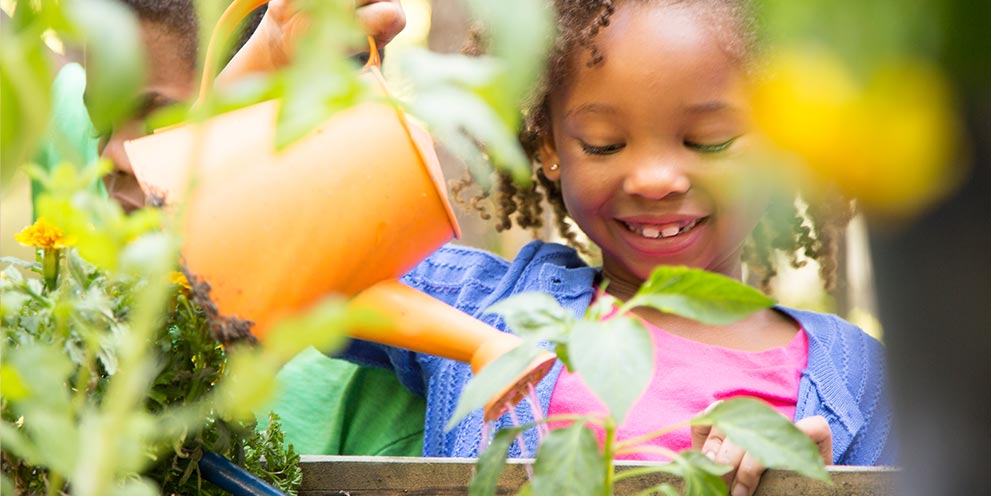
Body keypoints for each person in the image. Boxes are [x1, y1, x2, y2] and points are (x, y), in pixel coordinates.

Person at [334, 0, 894, 494]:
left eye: (710, 141)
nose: (654, 179)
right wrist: (304, 60)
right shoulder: (482, 307)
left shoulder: (861, 382)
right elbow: (310, 264)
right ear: (550, 147)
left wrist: (809, 485)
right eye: (604, 145)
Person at [91, 0, 427, 457]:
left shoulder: (374, 380)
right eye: (99, 127)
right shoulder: (105, 339)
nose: (110, 156)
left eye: (158, 119)